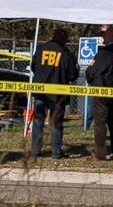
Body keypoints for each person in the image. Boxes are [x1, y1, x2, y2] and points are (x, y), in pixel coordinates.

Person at [30, 28, 79, 159]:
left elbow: (33, 66)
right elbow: (73, 75)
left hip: (41, 90)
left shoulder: (41, 48)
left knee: (38, 120)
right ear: (63, 39)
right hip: (58, 93)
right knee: (56, 122)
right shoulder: (65, 52)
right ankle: (56, 152)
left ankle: (35, 151)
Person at [86, 26, 113, 161]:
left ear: (110, 36)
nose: (103, 38)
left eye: (105, 36)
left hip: (103, 92)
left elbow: (91, 72)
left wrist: (92, 80)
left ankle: (100, 154)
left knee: (100, 123)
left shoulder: (104, 54)